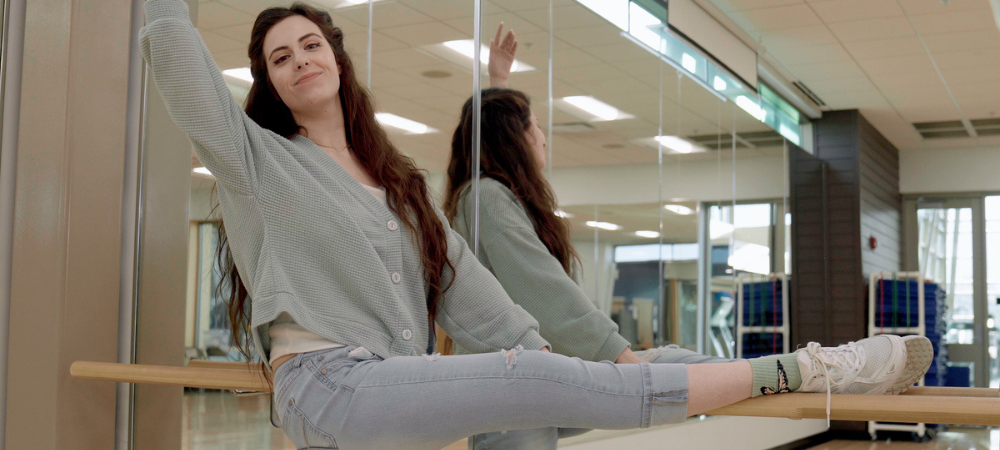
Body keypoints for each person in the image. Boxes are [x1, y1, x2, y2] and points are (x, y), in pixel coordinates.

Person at [139, 2, 931, 449]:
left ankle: (836, 370)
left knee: (565, 367)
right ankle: (814, 368)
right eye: (280, 57)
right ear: (269, 83)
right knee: (537, 379)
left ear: (338, 60)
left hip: (391, 378)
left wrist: (567, 351)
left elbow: (467, 286)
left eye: (312, 43)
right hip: (329, 384)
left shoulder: (398, 185)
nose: (300, 59)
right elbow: (174, 52)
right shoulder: (257, 161)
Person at [442, 30, 935, 450]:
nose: (544, 135)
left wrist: (498, 83)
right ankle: (820, 371)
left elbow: (528, 279)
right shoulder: (485, 195)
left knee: (676, 363)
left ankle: (817, 374)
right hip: (514, 385)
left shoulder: (486, 196)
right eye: (534, 126)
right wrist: (622, 357)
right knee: (667, 369)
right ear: (513, 139)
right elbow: (544, 286)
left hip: (534, 377)